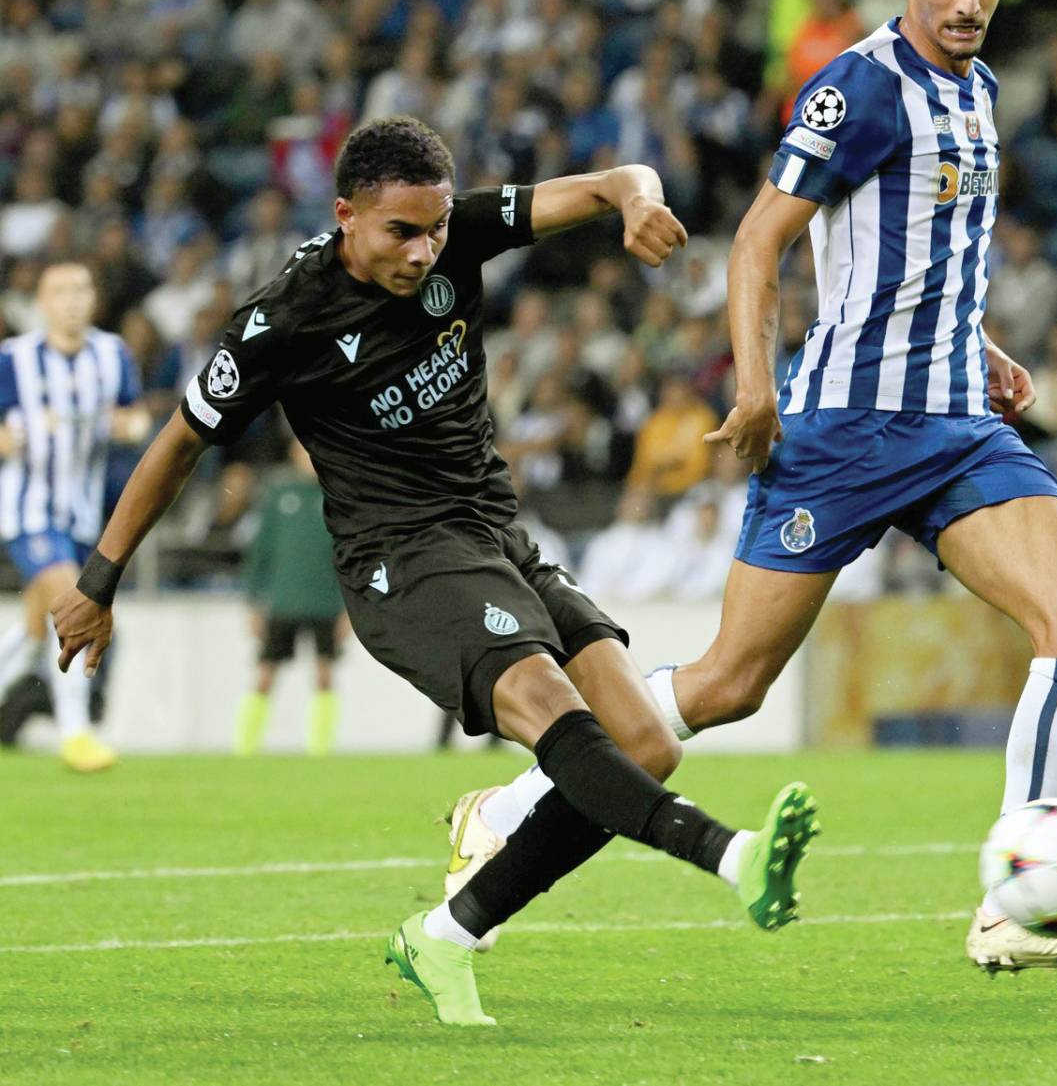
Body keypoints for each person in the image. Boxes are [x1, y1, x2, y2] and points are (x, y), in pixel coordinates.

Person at [51, 118, 821, 1026]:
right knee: (557, 712)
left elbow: (618, 174)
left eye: (437, 231)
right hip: (402, 559)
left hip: (496, 534)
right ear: (346, 216)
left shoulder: (460, 230)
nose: (425, 252)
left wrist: (640, 200)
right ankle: (734, 856)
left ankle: (448, 934)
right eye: (400, 233)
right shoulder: (283, 319)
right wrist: (98, 581)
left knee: (646, 743)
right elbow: (181, 440)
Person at [645, 0, 1057, 973]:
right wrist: (756, 383)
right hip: (843, 429)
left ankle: (1014, 899)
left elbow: (927, 248)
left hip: (957, 419)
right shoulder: (861, 92)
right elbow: (755, 246)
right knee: (730, 683)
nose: (968, 3)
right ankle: (523, 792)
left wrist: (987, 343)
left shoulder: (982, 88)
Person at [0, 262, 150, 772]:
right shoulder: (13, 360)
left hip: (83, 516)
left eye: (82, 289)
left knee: (33, 634)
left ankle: (73, 729)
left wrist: (129, 426)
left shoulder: (111, 354)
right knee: (72, 606)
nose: (73, 300)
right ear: (42, 302)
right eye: (61, 291)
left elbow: (135, 415)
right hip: (29, 512)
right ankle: (76, 734)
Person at [233, 438, 348, 756]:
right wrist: (254, 602)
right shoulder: (278, 495)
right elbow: (259, 553)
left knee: (324, 674)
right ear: (292, 453)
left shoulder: (336, 497)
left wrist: (348, 610)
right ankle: (244, 748)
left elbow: (349, 558)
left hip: (325, 600)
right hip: (284, 600)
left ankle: (320, 751)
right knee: (265, 673)